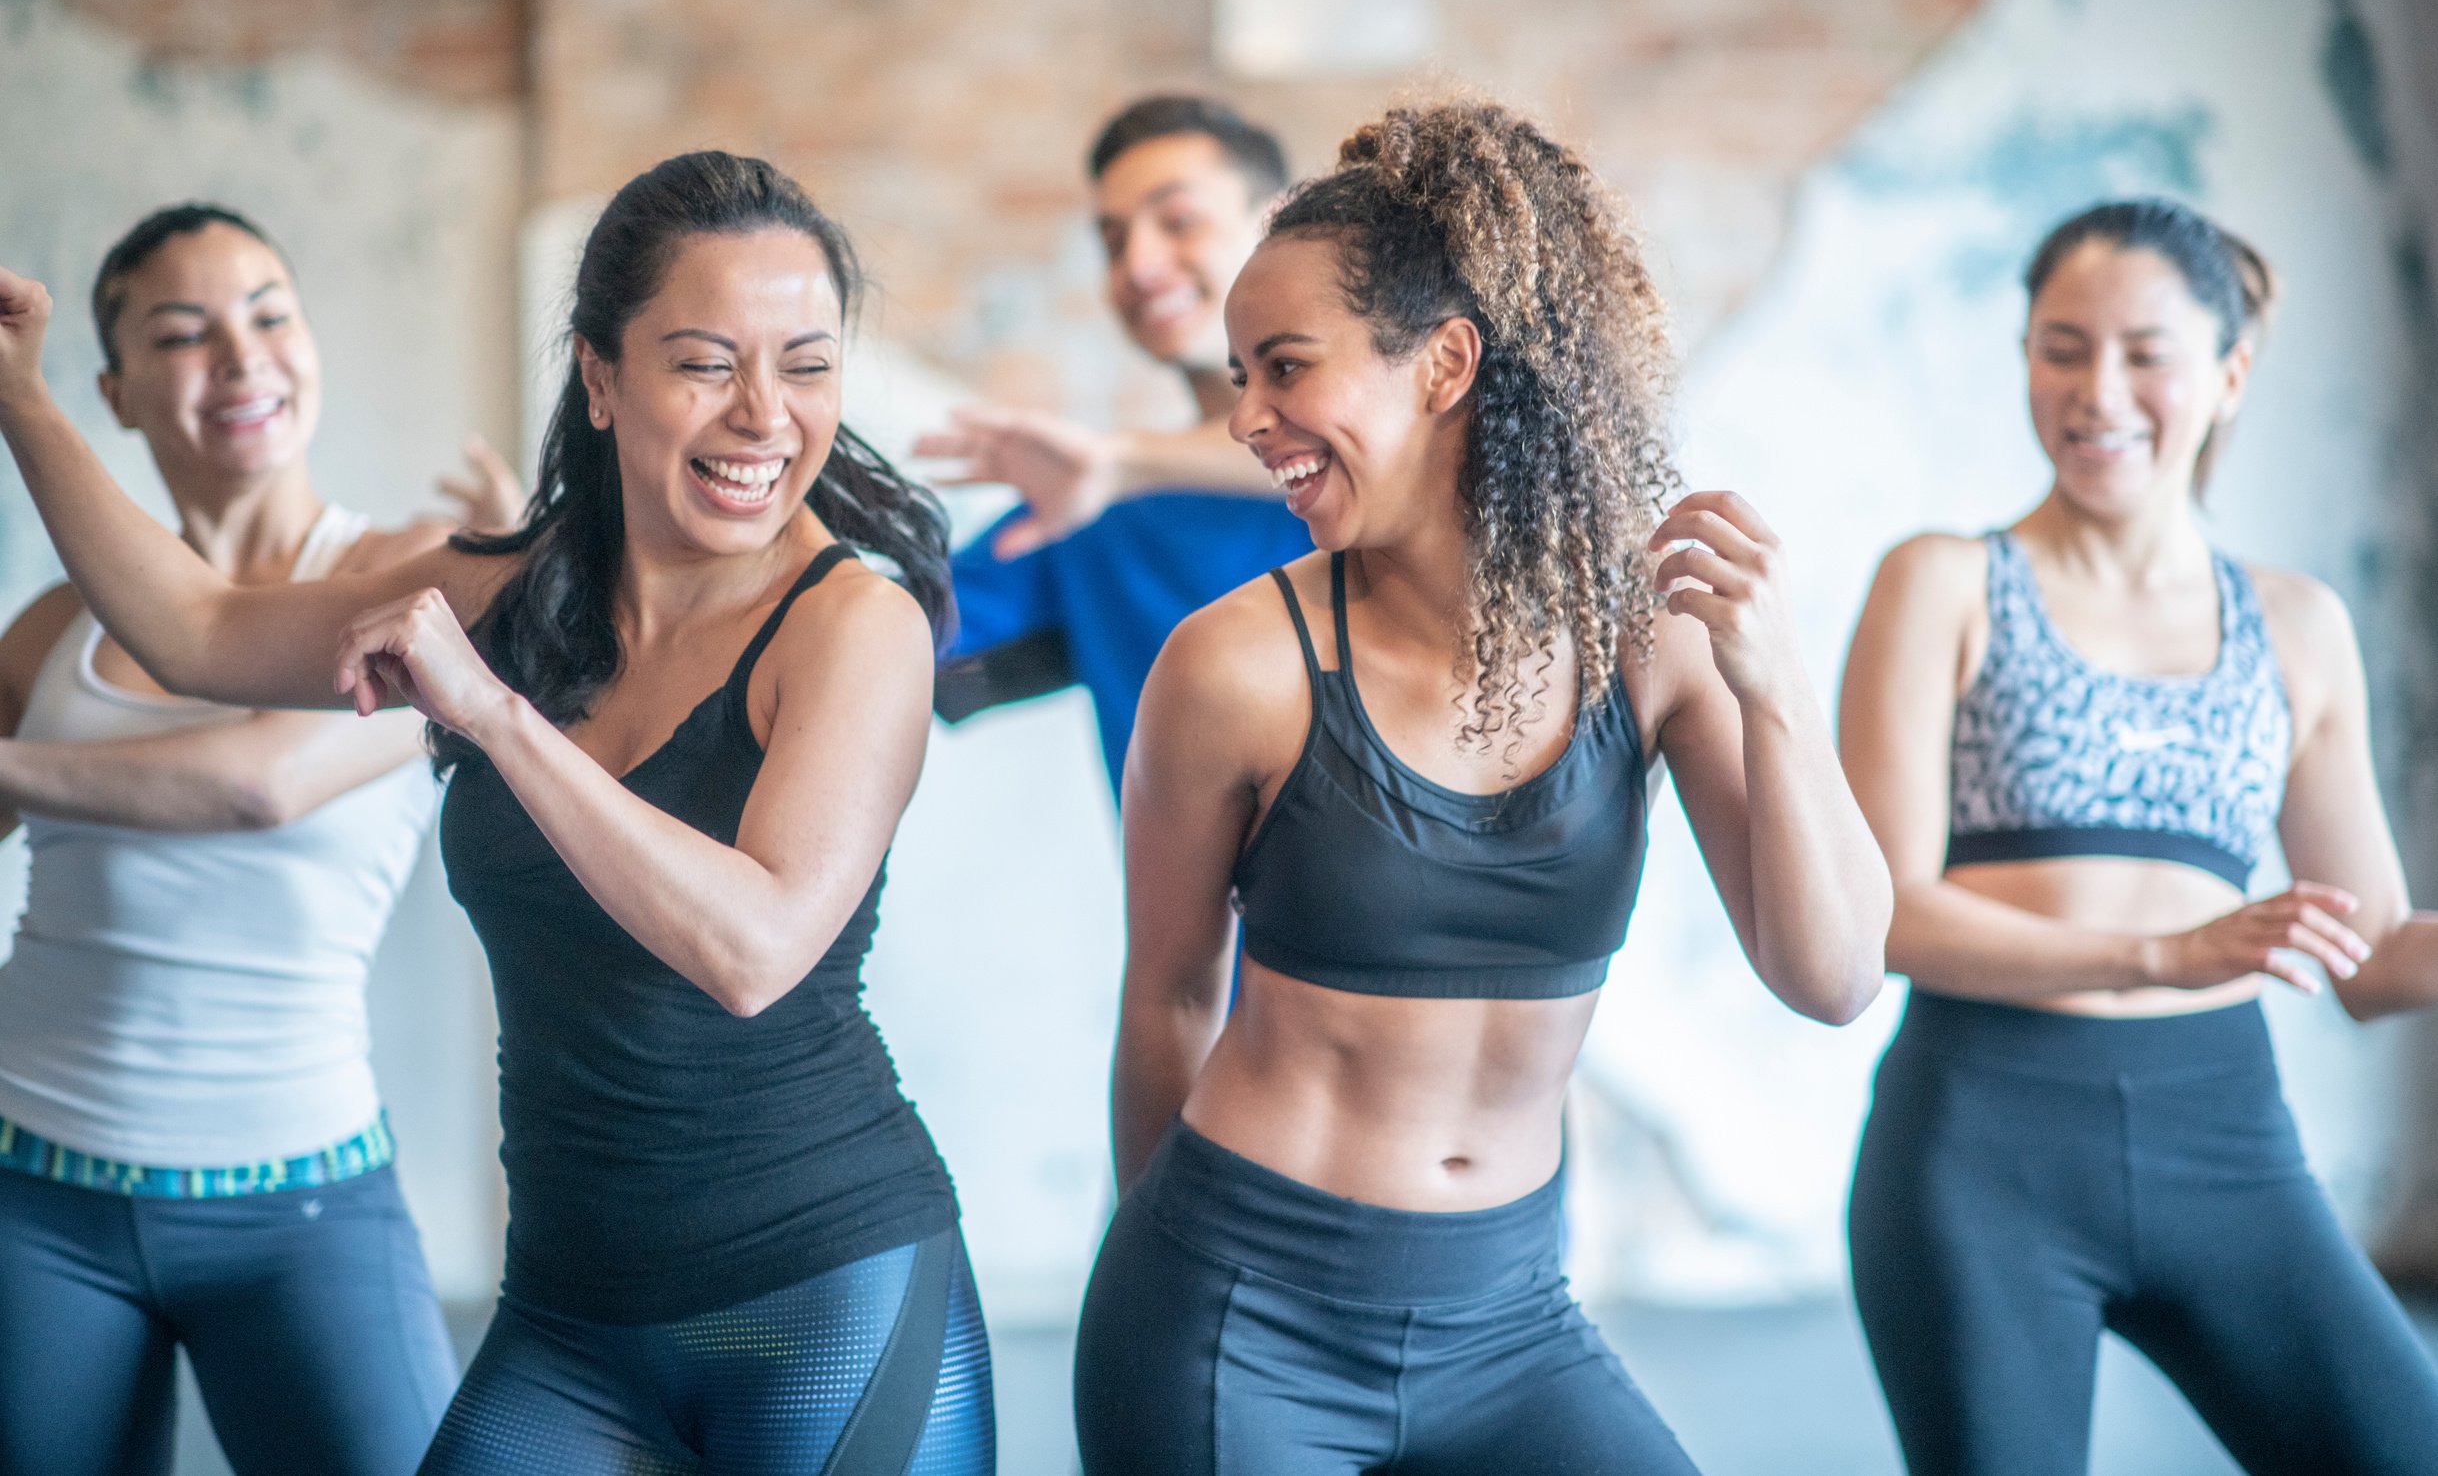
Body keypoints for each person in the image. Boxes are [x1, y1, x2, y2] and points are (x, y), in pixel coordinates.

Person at [0, 152, 993, 1474]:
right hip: (570, 1317)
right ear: (600, 374)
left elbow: (753, 947)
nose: (764, 415)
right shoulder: (522, 584)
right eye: (706, 361)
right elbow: (194, 630)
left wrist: (495, 714)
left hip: (820, 1290)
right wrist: (17, 395)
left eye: (806, 365)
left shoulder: (853, 622)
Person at [1071, 100, 1891, 1474]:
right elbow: (1163, 995)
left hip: (1509, 1319)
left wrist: (1778, 685)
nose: (1248, 420)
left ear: (1445, 360)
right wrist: (1165, 1300)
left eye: (1283, 368)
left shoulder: (1654, 633)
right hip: (1236, 1305)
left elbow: (1833, 970)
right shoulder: (1232, 668)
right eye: (1237, 378)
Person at [1839, 197, 2438, 1475]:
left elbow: (2371, 960)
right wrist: (2163, 952)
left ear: (2226, 372)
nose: (2095, 390)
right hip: (1976, 1151)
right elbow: (1877, 913)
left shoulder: (2297, 625)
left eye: (2141, 351)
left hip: (2225, 1141)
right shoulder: (1940, 582)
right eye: (2060, 347)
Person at [0, 203, 519, 1476]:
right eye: (184, 335)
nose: (241, 359)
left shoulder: (417, 578)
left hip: (299, 1202)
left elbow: (260, 784)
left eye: (270, 315)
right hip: (30, 1187)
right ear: (114, 393)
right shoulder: (55, 625)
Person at [923, 94, 1313, 792]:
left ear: (1280, 224)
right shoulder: (1099, 511)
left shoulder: (1418, 459)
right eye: (1113, 241)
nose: (1139, 265)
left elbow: (1386, 455)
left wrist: (1124, 464)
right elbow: (899, 633)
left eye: (1179, 221)